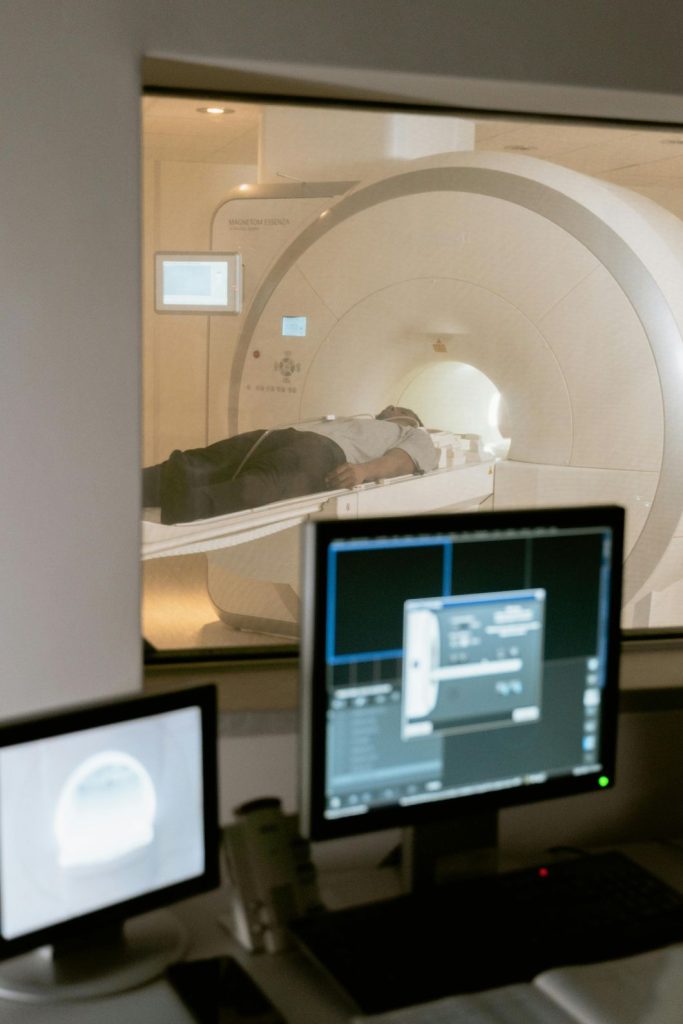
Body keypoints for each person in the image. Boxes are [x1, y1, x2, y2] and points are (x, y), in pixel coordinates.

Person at [143, 406, 438, 524]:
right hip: (278, 436)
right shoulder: (355, 419)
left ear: (408, 417)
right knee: (199, 463)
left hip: (323, 454)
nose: (389, 407)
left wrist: (363, 471)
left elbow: (403, 460)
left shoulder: (415, 434)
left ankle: (162, 517)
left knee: (252, 487)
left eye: (397, 408)